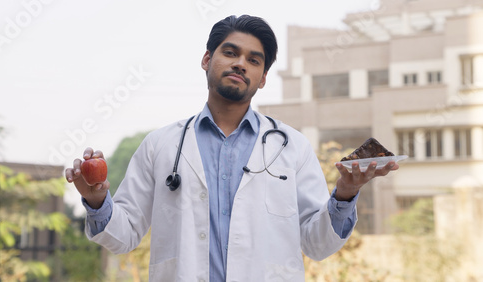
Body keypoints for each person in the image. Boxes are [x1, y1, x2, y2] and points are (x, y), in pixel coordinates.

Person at [65, 15, 399, 281]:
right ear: (207, 59)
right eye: (230, 52)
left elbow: (317, 243)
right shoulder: (160, 145)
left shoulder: (292, 147)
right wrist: (96, 200)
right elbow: (123, 235)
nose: (241, 63)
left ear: (263, 78)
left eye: (254, 60)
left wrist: (344, 194)